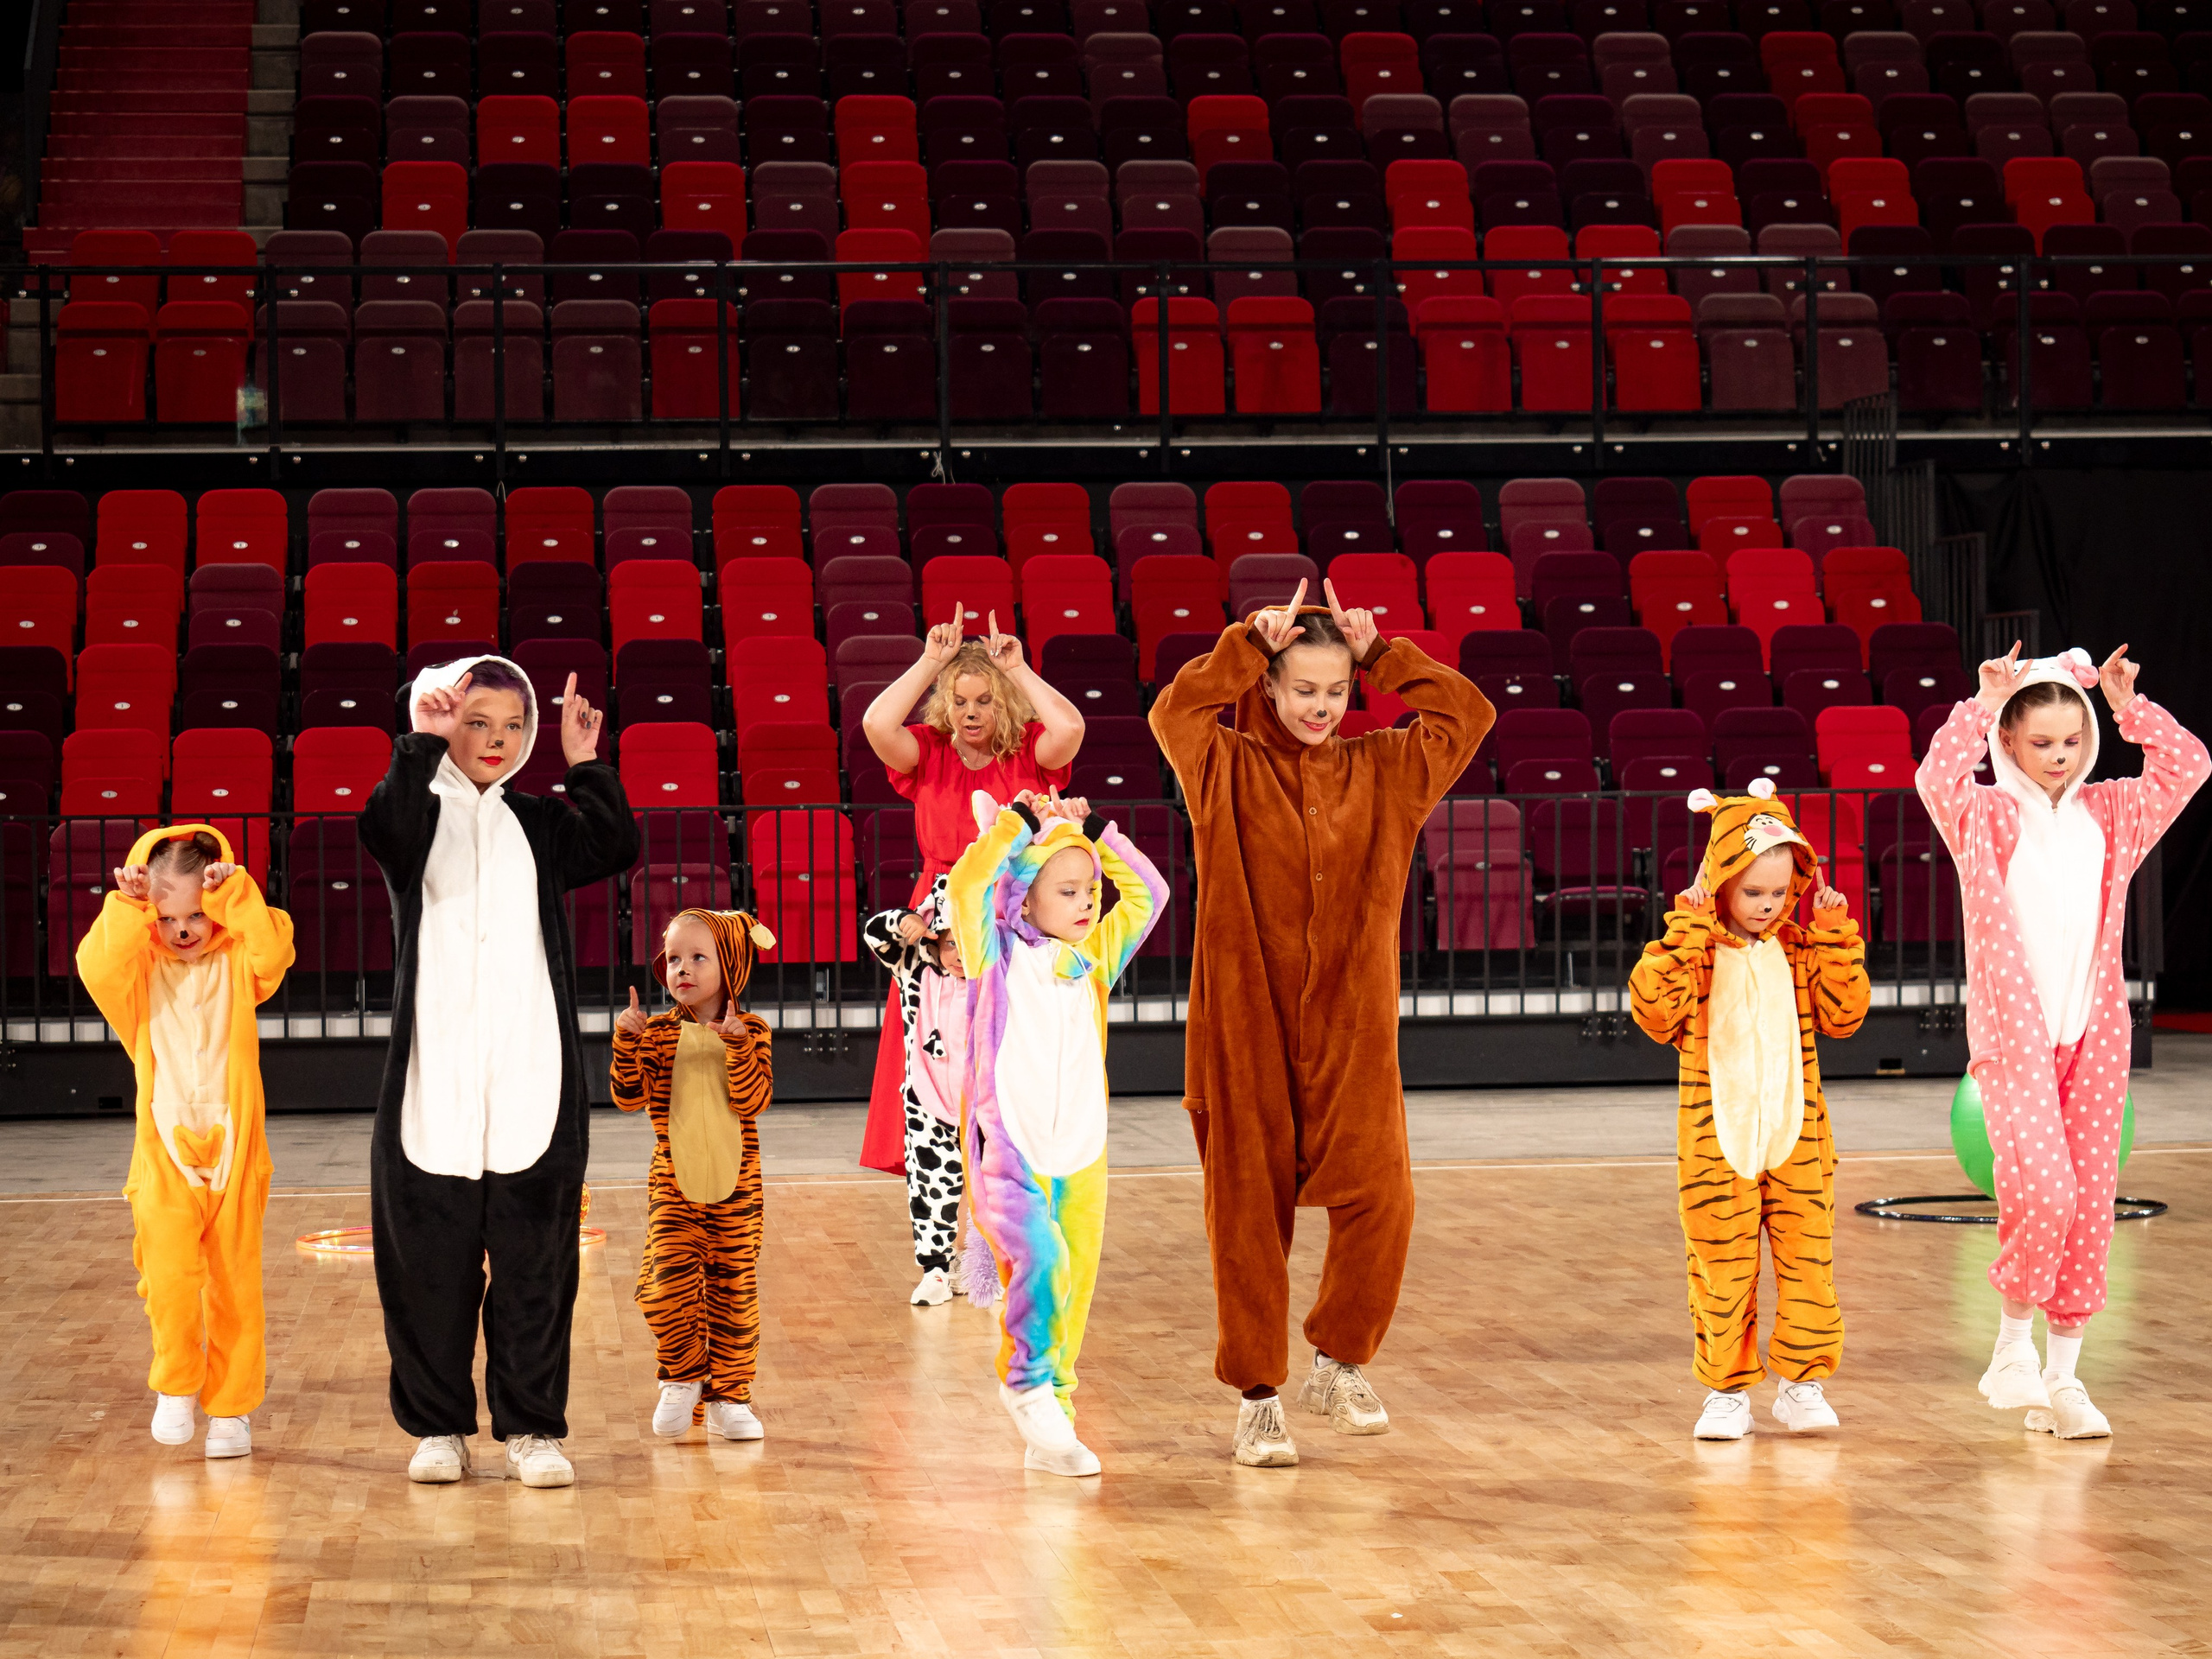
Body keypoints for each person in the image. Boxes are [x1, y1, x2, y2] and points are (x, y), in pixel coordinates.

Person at [1148, 580, 1490, 1468]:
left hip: (1353, 1025)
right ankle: (1257, 1397)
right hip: (1242, 1025)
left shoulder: (1385, 768)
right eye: (1303, 688)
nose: (1320, 707)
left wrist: (1386, 653)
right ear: (1269, 687)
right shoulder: (1221, 765)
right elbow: (1172, 710)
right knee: (1247, 1219)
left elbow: (1468, 715)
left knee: (1384, 1198)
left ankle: (1337, 1362)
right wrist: (1240, 645)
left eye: (1336, 691)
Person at [1917, 643, 2208, 1440]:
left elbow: (2189, 764)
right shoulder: (1983, 815)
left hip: (2095, 1036)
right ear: (2010, 742)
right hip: (2015, 1040)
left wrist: (2125, 705)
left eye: (2072, 742)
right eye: (2041, 742)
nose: (2058, 757)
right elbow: (1935, 777)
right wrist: (1982, 702)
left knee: (2089, 1211)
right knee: (2047, 1197)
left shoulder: (2112, 812)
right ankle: (2011, 1347)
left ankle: (2065, 1378)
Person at [362, 654, 639, 1488]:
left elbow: (614, 844)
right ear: (441, 719)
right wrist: (419, 744)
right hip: (432, 1082)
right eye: (476, 722)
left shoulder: (539, 822)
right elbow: (386, 829)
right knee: (427, 1272)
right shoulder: (415, 812)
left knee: (535, 1270)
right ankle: (437, 1428)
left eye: (512, 728)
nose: (495, 740)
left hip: (531, 1076)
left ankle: (532, 1429)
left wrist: (585, 762)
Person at [1627, 782, 1870, 1440]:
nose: (1768, 906)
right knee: (1720, 1271)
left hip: (1799, 1144)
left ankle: (1801, 1383)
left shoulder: (1800, 946)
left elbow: (1845, 1017)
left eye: (1779, 892)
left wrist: (1834, 934)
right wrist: (1686, 932)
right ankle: (1726, 1392)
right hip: (1717, 1149)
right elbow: (1653, 1013)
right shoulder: (1698, 952)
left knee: (1809, 1267)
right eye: (1753, 892)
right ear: (1720, 882)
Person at [944, 788, 1166, 1477]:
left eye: (1090, 889)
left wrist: (1093, 831)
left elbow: (1150, 892)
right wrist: (1026, 823)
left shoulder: (1095, 953)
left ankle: (1056, 1417)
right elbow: (969, 879)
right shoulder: (994, 952)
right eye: (1067, 890)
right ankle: (1026, 1382)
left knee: (1077, 1280)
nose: (1087, 901)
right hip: (1008, 1148)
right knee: (1042, 1263)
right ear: (1024, 898)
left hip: (1081, 1148)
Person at [77, 826, 294, 1459]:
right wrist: (127, 905)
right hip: (164, 1154)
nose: (184, 929)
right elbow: (95, 964)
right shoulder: (137, 975)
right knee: (170, 1277)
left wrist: (236, 897)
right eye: (169, 917)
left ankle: (231, 1410)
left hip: (234, 1151)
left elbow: (274, 950)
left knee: (233, 1283)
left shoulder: (238, 965)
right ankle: (177, 1386)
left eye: (197, 913)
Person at [855, 606, 1084, 1184]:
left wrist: (1020, 669)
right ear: (945, 705)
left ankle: (1010, 1162)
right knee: (938, 1044)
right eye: (960, 701)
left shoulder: (1029, 749)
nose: (972, 712)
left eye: (985, 700)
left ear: (1003, 702)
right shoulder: (929, 750)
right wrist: (931, 661)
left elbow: (1072, 729)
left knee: (1011, 1046)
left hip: (1012, 908)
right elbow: (875, 725)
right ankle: (939, 1161)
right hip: (940, 910)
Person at [613, 907, 778, 1442]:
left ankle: (731, 1395)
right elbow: (627, 1097)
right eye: (674, 958)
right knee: (664, 1286)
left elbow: (754, 1098)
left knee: (733, 1290)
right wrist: (626, 1043)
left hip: (739, 1189)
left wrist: (736, 1046)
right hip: (673, 1184)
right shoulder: (658, 1034)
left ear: (729, 965)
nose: (682, 968)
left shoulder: (754, 1030)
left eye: (698, 958)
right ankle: (682, 1375)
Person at [861, 875, 976, 1306]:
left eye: (969, 941)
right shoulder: (914, 973)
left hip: (985, 1105)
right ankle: (936, 1271)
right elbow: (875, 933)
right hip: (927, 1104)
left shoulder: (997, 976)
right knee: (932, 1189)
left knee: (989, 1192)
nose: (959, 954)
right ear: (933, 944)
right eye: (949, 944)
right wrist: (911, 919)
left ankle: (982, 1267)